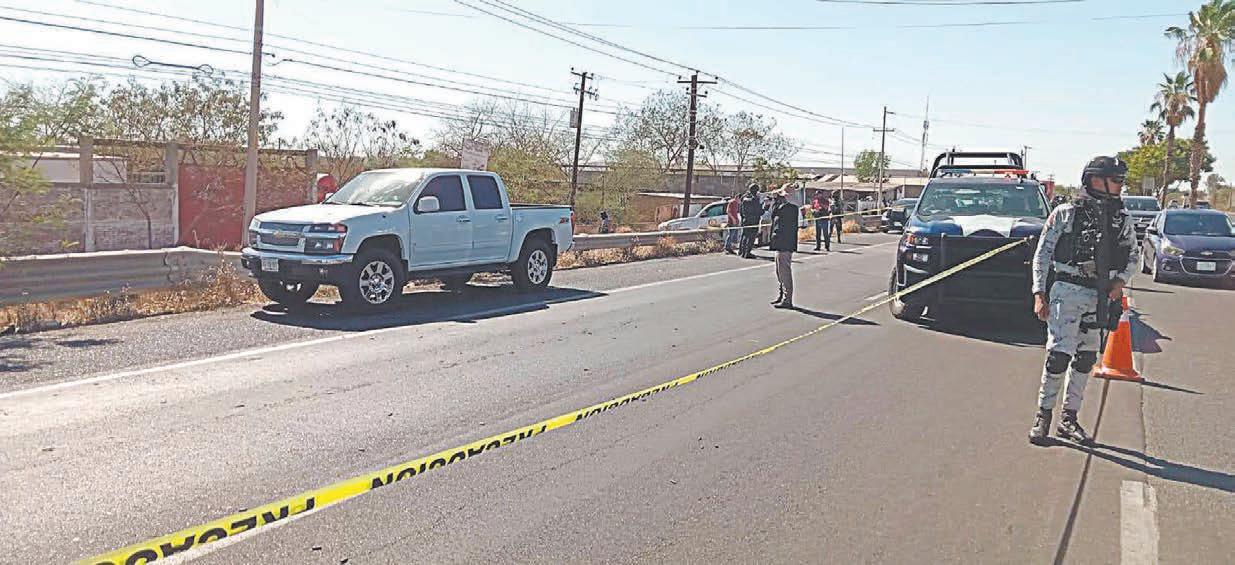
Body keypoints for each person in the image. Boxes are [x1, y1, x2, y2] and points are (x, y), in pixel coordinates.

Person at [1028, 156, 1137, 446]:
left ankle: (1069, 418)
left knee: (1086, 358)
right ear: (1096, 180)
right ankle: (1043, 415)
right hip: (1067, 292)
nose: (1120, 186)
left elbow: (1133, 255)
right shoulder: (1065, 213)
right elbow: (1043, 254)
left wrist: (1120, 281)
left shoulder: (1122, 218)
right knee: (1058, 356)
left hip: (1100, 296)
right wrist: (1039, 293)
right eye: (1116, 180)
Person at [768, 188, 800, 309]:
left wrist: (776, 200)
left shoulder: (791, 208)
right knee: (779, 272)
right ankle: (782, 295)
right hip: (780, 243)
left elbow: (776, 212)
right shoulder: (783, 207)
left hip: (786, 243)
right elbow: (773, 214)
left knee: (784, 272)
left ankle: (787, 299)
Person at [738, 183, 762, 258]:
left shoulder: (744, 197)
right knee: (751, 237)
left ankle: (742, 251)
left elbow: (740, 209)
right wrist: (765, 208)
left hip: (745, 220)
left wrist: (743, 217)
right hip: (754, 221)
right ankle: (747, 253)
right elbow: (759, 211)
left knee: (745, 236)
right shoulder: (755, 199)